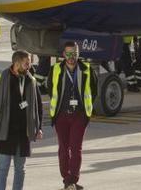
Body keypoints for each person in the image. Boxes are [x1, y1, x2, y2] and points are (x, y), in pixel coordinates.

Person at [0, 50, 43, 190]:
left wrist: (39, 128)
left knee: (20, 169)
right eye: (26, 63)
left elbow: (38, 106)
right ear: (16, 63)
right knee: (2, 168)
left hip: (23, 133)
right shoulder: (0, 79)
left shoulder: (31, 80)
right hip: (5, 131)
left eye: (29, 63)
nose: (29, 67)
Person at [48, 41, 97, 190]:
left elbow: (93, 91)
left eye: (74, 54)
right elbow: (50, 89)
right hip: (61, 115)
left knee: (76, 149)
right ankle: (67, 179)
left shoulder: (87, 69)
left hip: (79, 115)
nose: (71, 57)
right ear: (63, 55)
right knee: (63, 149)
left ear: (78, 54)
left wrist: (85, 110)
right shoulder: (56, 69)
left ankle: (72, 179)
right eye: (68, 54)